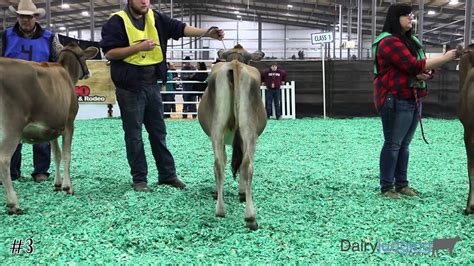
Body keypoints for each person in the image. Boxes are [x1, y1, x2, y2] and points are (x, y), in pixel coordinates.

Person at [99, 0, 224, 192]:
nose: (144, 1)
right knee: (134, 136)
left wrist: (207, 32)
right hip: (129, 88)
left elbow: (181, 28)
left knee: (159, 133)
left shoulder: (156, 17)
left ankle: (167, 175)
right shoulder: (116, 21)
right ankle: (140, 179)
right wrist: (138, 48)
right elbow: (109, 53)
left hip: (152, 85)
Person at [372, 4, 458, 199]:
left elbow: (422, 64)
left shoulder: (412, 41)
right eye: (407, 15)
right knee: (393, 144)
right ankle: (387, 187)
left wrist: (427, 73)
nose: (412, 19)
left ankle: (402, 184)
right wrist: (446, 57)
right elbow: (412, 65)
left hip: (413, 96)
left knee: (404, 144)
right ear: (396, 17)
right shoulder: (388, 42)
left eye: (412, 15)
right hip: (395, 97)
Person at [1, 0, 62, 183]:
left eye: (29, 17)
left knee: (42, 131)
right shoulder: (5, 36)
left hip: (41, 92)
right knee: (12, 132)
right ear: (17, 17)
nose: (25, 20)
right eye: (22, 16)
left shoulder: (50, 38)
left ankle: (41, 171)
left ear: (35, 17)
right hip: (12, 94)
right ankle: (11, 171)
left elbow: (57, 63)